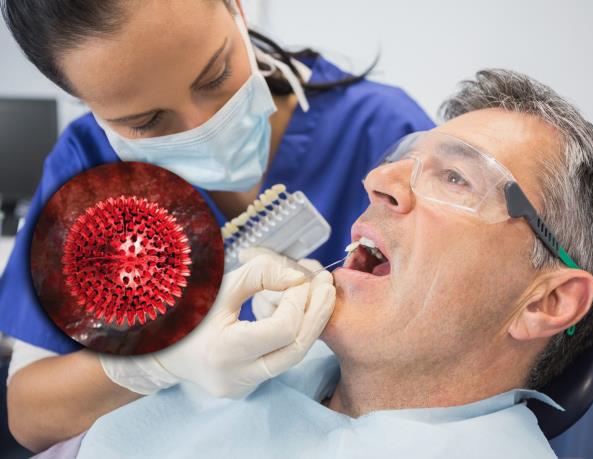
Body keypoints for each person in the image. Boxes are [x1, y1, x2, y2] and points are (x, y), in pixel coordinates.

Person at [37, 69, 593, 459]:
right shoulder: (245, 378)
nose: (378, 181)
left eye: (457, 178)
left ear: (547, 301)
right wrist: (159, 361)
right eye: (402, 161)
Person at [0, 0, 434, 452]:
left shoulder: (381, 132)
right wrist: (158, 363)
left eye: (215, 76)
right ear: (84, 100)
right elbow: (30, 415)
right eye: (146, 121)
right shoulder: (89, 169)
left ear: (236, 10)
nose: (202, 127)